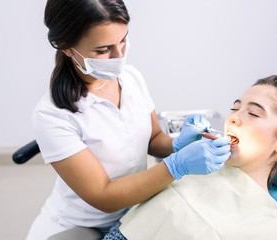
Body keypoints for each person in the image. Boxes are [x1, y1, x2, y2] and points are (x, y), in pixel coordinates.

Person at [26, 0, 231, 239]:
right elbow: (103, 196)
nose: (119, 56)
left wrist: (177, 143)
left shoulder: (130, 78)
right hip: (84, 223)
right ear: (66, 47)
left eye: (123, 40)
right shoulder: (51, 115)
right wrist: (177, 165)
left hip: (138, 208)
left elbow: (154, 138)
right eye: (103, 50)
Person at [102, 75, 277, 240]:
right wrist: (176, 157)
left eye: (253, 113)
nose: (234, 118)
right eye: (235, 108)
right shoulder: (188, 168)